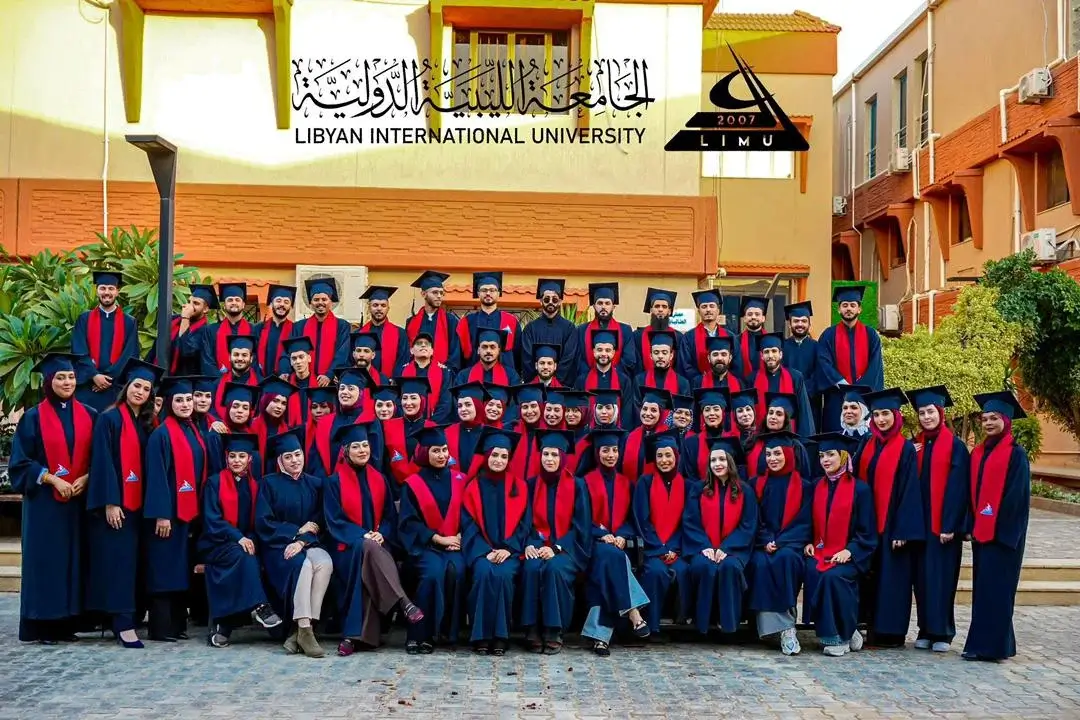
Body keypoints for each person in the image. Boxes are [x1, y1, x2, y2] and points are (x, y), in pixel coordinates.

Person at [10, 352, 97, 643]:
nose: (67, 382)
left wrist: (86, 478)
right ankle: (44, 625)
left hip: (77, 503)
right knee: (47, 562)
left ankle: (67, 623)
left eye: (71, 376)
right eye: (61, 377)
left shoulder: (90, 415)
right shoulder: (33, 418)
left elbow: (99, 458)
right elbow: (20, 463)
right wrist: (52, 479)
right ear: (49, 381)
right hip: (45, 505)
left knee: (74, 561)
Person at [323, 423, 424, 655]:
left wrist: (382, 533)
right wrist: (362, 535)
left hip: (378, 544)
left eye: (365, 445)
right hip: (346, 546)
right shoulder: (333, 482)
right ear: (345, 451)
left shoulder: (379, 479)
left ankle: (353, 637)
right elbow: (334, 521)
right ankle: (403, 602)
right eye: (356, 446)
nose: (362, 450)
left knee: (369, 560)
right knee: (365, 552)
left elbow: (389, 517)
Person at [86, 358, 163, 649]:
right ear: (126, 386)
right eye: (136, 386)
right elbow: (102, 463)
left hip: (142, 506)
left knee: (136, 564)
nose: (140, 391)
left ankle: (132, 616)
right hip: (119, 506)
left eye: (146, 388)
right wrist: (110, 502)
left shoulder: (147, 423)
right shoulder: (109, 419)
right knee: (120, 564)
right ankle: (122, 624)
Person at [963, 391, 1032, 663]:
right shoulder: (978, 453)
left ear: (1006, 420)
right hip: (982, 534)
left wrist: (1000, 529)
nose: (989, 423)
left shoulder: (1016, 454)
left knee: (1000, 592)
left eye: (994, 418)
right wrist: (973, 524)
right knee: (983, 592)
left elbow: (1017, 499)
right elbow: (971, 493)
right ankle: (985, 644)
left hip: (1004, 536)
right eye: (985, 419)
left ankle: (992, 648)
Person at [200, 433, 283, 648]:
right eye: (232, 456)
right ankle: (261, 606)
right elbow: (212, 520)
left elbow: (258, 522)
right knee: (244, 556)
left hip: (245, 543)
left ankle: (224, 625)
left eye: (242, 456)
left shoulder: (256, 486)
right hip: (216, 543)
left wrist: (249, 539)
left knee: (250, 556)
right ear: (226, 458)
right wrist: (239, 537)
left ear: (250, 459)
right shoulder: (214, 483)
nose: (236, 460)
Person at [855, 388, 924, 648]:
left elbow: (910, 490)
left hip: (892, 527)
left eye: (886, 414)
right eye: (876, 415)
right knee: (870, 579)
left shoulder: (905, 449)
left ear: (896, 415)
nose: (881, 419)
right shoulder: (867, 444)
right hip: (868, 526)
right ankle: (867, 628)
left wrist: (902, 530)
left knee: (892, 581)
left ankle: (890, 634)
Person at [256, 427, 332, 658]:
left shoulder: (315, 484)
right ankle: (306, 629)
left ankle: (301, 630)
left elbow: (319, 520)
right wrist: (295, 533)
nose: (295, 460)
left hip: (307, 543)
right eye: (288, 457)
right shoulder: (268, 484)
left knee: (325, 562)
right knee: (304, 566)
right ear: (279, 461)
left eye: (297, 454)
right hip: (278, 545)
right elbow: (264, 522)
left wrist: (302, 540)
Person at [144, 376, 209, 642]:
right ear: (170, 403)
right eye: (179, 400)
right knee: (164, 569)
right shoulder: (161, 434)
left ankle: (177, 625)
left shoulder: (192, 430)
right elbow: (156, 477)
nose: (185, 404)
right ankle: (161, 628)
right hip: (169, 514)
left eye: (188, 400)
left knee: (180, 569)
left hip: (188, 512)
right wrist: (162, 514)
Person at [907, 385, 970, 653]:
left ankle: (943, 631)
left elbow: (959, 489)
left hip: (943, 528)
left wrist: (950, 525)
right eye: (922, 413)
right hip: (920, 526)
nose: (926, 417)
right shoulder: (916, 446)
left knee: (942, 580)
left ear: (941, 413)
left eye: (930, 412)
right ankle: (924, 629)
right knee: (921, 580)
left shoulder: (955, 447)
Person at [802, 432, 877, 657]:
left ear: (844, 456)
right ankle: (848, 629)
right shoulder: (816, 486)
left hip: (852, 555)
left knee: (833, 577)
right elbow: (808, 521)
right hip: (821, 551)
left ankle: (839, 636)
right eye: (822, 455)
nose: (825, 460)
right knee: (811, 570)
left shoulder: (860, 489)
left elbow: (867, 531)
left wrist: (850, 551)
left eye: (830, 454)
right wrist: (809, 541)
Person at [579, 429, 650, 656]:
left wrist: (621, 535)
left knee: (609, 566)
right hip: (591, 544)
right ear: (597, 452)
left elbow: (630, 519)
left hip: (616, 544)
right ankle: (634, 613)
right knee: (614, 557)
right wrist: (601, 534)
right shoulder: (585, 482)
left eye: (614, 450)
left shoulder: (626, 483)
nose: (610, 455)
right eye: (605, 450)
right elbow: (580, 520)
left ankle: (601, 638)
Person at [398, 425, 468, 654]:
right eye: (436, 450)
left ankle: (447, 633)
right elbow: (408, 522)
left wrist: (461, 535)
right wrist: (437, 539)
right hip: (425, 547)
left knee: (456, 571)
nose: (442, 455)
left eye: (445, 450)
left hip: (455, 546)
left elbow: (471, 515)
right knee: (432, 574)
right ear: (424, 452)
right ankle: (420, 634)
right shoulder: (412, 484)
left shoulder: (460, 479)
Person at [461, 425, 530, 655]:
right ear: (486, 456)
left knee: (503, 575)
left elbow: (525, 525)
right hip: (482, 551)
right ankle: (481, 636)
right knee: (483, 573)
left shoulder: (519, 486)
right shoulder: (473, 487)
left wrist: (509, 549)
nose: (498, 460)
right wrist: (484, 551)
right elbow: (469, 525)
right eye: (494, 455)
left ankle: (501, 636)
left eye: (503, 456)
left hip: (510, 551)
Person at [520, 430, 590, 654]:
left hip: (568, 549)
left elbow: (581, 526)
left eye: (554, 455)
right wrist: (530, 543)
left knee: (554, 569)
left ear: (563, 458)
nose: (549, 459)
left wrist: (557, 547)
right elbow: (525, 521)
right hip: (538, 545)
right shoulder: (531, 485)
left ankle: (554, 630)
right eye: (546, 454)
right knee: (531, 567)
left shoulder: (577, 485)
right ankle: (531, 628)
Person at [746, 430, 812, 655]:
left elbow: (805, 520)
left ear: (789, 454)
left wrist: (781, 541)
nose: (772, 458)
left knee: (786, 560)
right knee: (760, 563)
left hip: (791, 544)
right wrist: (766, 540)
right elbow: (752, 519)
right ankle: (772, 628)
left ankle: (786, 628)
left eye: (777, 453)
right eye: (768, 454)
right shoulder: (756, 484)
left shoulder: (804, 486)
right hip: (762, 543)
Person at [684, 436, 757, 635]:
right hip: (703, 548)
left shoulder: (745, 491)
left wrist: (727, 548)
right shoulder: (699, 489)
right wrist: (705, 546)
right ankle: (703, 624)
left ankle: (728, 625)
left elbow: (748, 526)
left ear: (730, 461)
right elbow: (691, 522)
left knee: (729, 567)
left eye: (722, 459)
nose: (717, 464)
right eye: (713, 460)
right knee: (704, 567)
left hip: (734, 550)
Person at [633, 430, 692, 636]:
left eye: (668, 455)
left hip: (677, 548)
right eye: (659, 456)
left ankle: (681, 622)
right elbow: (642, 520)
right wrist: (660, 548)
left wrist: (674, 548)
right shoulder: (645, 483)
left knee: (684, 571)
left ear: (676, 456)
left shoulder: (687, 485)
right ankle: (653, 625)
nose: (664, 460)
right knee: (655, 572)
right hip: (652, 549)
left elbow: (688, 523)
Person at [71, 270, 140, 411]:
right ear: (97, 291)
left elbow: (130, 354)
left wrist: (107, 378)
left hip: (115, 388)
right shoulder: (84, 319)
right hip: (88, 387)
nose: (106, 292)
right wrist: (94, 375)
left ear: (117, 292)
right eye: (102, 288)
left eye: (111, 288)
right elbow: (78, 350)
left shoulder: (129, 322)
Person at [816, 286, 884, 392]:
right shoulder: (828, 335)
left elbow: (875, 365)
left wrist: (860, 388)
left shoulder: (871, 334)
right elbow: (824, 362)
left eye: (853, 305)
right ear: (839, 309)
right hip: (837, 392)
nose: (848, 308)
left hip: (864, 393)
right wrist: (841, 382)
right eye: (845, 305)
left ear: (859, 309)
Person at [289, 276, 351, 383]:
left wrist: (329, 375)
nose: (320, 303)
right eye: (316, 299)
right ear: (311, 303)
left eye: (324, 299)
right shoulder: (299, 326)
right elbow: (292, 352)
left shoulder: (342, 326)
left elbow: (342, 354)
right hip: (305, 380)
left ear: (331, 302)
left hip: (331, 383)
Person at [752, 333, 815, 437]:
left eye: (774, 351)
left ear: (781, 354)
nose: (770, 356)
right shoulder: (752, 379)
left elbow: (804, 411)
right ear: (762, 356)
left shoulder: (795, 377)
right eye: (766, 352)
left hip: (789, 437)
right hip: (761, 437)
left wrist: (804, 441)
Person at [457, 271, 521, 371]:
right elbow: (461, 354)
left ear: (498, 293)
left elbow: (518, 353)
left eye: (492, 290)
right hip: (474, 376)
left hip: (505, 375)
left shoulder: (511, 321)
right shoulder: (467, 322)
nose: (488, 293)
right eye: (484, 290)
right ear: (478, 293)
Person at [521, 278, 580, 386]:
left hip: (561, 387)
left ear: (560, 301)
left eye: (555, 299)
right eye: (547, 299)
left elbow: (569, 358)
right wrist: (538, 381)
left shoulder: (569, 328)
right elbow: (527, 359)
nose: (551, 302)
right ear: (541, 301)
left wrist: (554, 382)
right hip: (535, 386)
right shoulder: (530, 328)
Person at [576, 282, 637, 378]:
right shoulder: (582, 330)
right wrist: (591, 374)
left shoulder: (625, 330)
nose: (603, 307)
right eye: (600, 303)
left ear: (613, 307)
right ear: (594, 306)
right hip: (587, 379)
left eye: (607, 303)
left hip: (617, 379)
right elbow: (578, 359)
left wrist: (608, 373)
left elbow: (629, 359)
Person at [152, 283, 214, 375]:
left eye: (196, 303)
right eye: (189, 302)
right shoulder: (173, 320)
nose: (190, 306)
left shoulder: (206, 331)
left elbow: (186, 350)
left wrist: (185, 318)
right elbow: (157, 345)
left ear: (205, 309)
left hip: (183, 378)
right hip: (159, 372)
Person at [406, 270, 461, 372]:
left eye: (441, 293)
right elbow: (408, 349)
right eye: (435, 292)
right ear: (423, 294)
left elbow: (455, 351)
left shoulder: (451, 320)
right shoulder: (411, 322)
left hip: (442, 373)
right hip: (416, 373)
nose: (439, 296)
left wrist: (446, 370)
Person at [679, 388, 733, 479]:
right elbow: (688, 476)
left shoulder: (732, 441)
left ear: (723, 412)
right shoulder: (690, 443)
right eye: (707, 410)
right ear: (702, 414)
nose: (711, 413)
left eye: (716, 409)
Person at [399, 332, 454, 423]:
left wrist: (431, 423)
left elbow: (446, 403)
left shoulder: (444, 372)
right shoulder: (401, 371)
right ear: (411, 350)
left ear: (432, 351)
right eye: (419, 343)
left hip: (435, 424)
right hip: (407, 424)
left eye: (427, 344)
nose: (423, 345)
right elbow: (398, 400)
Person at [576, 329, 633, 415]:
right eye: (599, 350)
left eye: (608, 350)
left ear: (613, 352)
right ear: (594, 351)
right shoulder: (581, 381)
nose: (603, 354)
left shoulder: (624, 381)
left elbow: (627, 413)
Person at [782, 301, 820, 428]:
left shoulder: (817, 347)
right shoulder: (782, 347)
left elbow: (819, 373)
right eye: (796, 321)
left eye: (804, 321)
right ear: (790, 324)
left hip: (811, 400)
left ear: (809, 324)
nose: (800, 324)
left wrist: (802, 392)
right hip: (787, 400)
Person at [679, 289, 731, 381]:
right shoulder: (688, 337)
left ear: (718, 310)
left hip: (725, 384)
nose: (708, 310)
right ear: (699, 311)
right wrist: (701, 379)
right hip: (697, 385)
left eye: (712, 306)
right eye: (704, 306)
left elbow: (736, 364)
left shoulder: (729, 336)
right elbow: (685, 365)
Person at [359, 285, 409, 378]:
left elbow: (403, 360)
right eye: (375, 305)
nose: (379, 308)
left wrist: (394, 380)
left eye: (383, 305)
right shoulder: (359, 333)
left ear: (388, 308)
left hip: (390, 383)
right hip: (364, 381)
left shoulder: (400, 333)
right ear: (369, 308)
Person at [634, 287, 683, 375]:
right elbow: (636, 365)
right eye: (657, 306)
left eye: (664, 307)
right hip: (644, 381)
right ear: (651, 310)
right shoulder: (637, 336)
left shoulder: (678, 337)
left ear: (669, 311)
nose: (660, 309)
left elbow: (679, 365)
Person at [211, 334, 262, 418]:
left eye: (244, 355)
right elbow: (211, 410)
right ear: (229, 357)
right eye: (236, 354)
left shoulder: (261, 385)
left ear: (251, 358)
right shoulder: (217, 384)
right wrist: (216, 421)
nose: (240, 358)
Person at [633, 329, 690, 400]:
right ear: (651, 355)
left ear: (671, 355)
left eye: (664, 353)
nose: (660, 356)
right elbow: (637, 405)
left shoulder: (682, 383)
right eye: (656, 352)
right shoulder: (640, 380)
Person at [454, 327, 521, 386]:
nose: (488, 351)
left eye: (492, 347)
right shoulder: (463, 376)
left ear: (499, 351)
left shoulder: (511, 376)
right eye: (484, 347)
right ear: (478, 350)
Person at [256, 284, 296, 377]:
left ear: (291, 307)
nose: (282, 304)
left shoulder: (295, 330)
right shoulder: (259, 328)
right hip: (261, 379)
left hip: (285, 379)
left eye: (286, 302)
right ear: (271, 304)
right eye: (278, 301)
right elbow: (253, 355)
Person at [733, 296, 769, 381]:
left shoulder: (771, 340)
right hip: (743, 385)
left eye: (757, 314)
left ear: (763, 318)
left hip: (766, 384)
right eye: (749, 314)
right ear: (744, 318)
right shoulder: (736, 341)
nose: (753, 317)